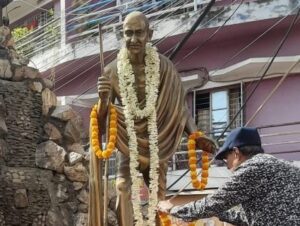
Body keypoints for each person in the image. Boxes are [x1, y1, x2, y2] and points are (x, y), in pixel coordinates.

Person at [93, 11, 216, 226]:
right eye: (128, 33)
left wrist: (195, 136)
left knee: (158, 198)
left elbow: (180, 108)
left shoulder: (164, 67)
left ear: (149, 34)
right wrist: (103, 101)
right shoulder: (111, 71)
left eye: (138, 33)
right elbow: (103, 124)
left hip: (158, 139)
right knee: (122, 187)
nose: (133, 39)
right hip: (128, 141)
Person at [157, 127, 300, 226]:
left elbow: (212, 203)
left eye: (226, 159)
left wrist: (172, 208)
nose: (227, 165)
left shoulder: (252, 168)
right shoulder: (285, 166)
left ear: (236, 153)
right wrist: (219, 212)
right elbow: (248, 218)